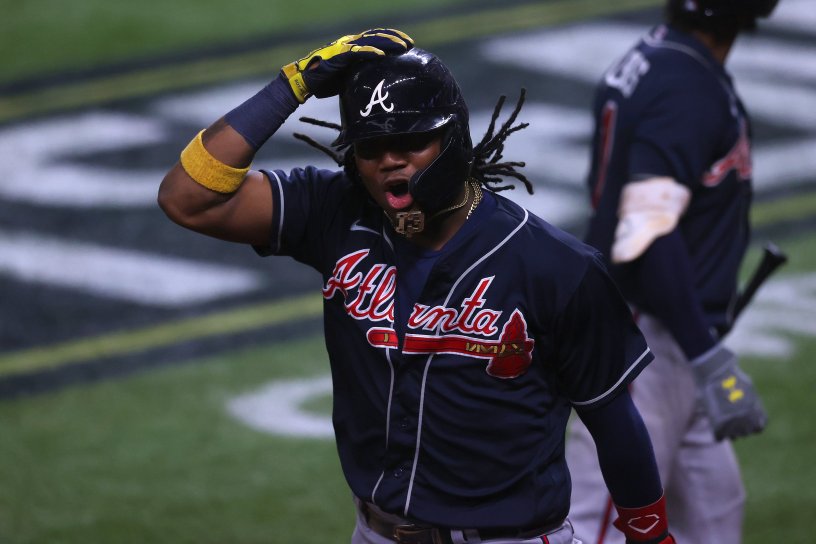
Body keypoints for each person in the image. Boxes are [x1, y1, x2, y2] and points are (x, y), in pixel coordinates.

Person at [158, 29, 675, 544]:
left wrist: (651, 536)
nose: (390, 160)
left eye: (411, 142)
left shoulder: (555, 267)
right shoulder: (333, 212)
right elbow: (186, 199)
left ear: (454, 139)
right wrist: (292, 86)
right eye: (371, 147)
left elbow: (613, 420)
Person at [565, 1, 777, 543]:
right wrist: (708, 358)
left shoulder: (657, 57)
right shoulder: (687, 86)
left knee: (715, 513)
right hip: (644, 342)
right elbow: (647, 230)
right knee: (601, 522)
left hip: (671, 334)